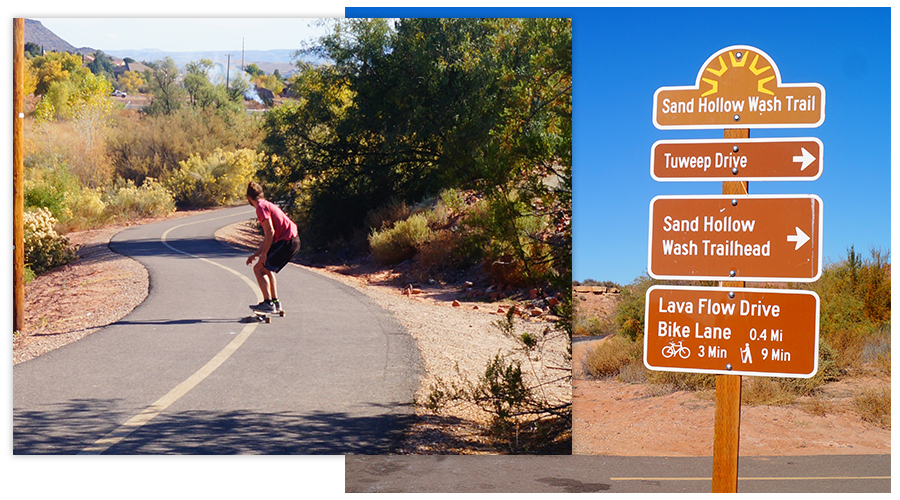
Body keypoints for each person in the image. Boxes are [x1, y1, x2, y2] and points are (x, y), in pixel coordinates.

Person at [245, 181, 301, 313]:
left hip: (287, 242)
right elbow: (268, 238)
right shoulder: (266, 204)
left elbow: (270, 232)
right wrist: (257, 254)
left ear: (249, 198)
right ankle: (275, 302)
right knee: (267, 268)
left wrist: (263, 255)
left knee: (259, 269)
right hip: (293, 241)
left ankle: (267, 303)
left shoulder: (260, 207)